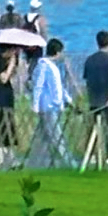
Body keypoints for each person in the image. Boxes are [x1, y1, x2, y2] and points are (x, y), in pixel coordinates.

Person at [29, 38, 73, 166]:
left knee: (44, 135)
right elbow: (38, 85)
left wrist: (68, 99)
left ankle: (39, 162)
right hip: (47, 106)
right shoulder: (43, 66)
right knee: (56, 136)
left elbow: (59, 86)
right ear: (57, 52)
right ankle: (68, 163)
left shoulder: (53, 67)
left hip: (55, 105)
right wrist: (35, 105)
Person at [82, 29, 108, 164]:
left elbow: (87, 80)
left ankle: (91, 154)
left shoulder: (89, 60)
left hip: (94, 99)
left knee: (93, 129)